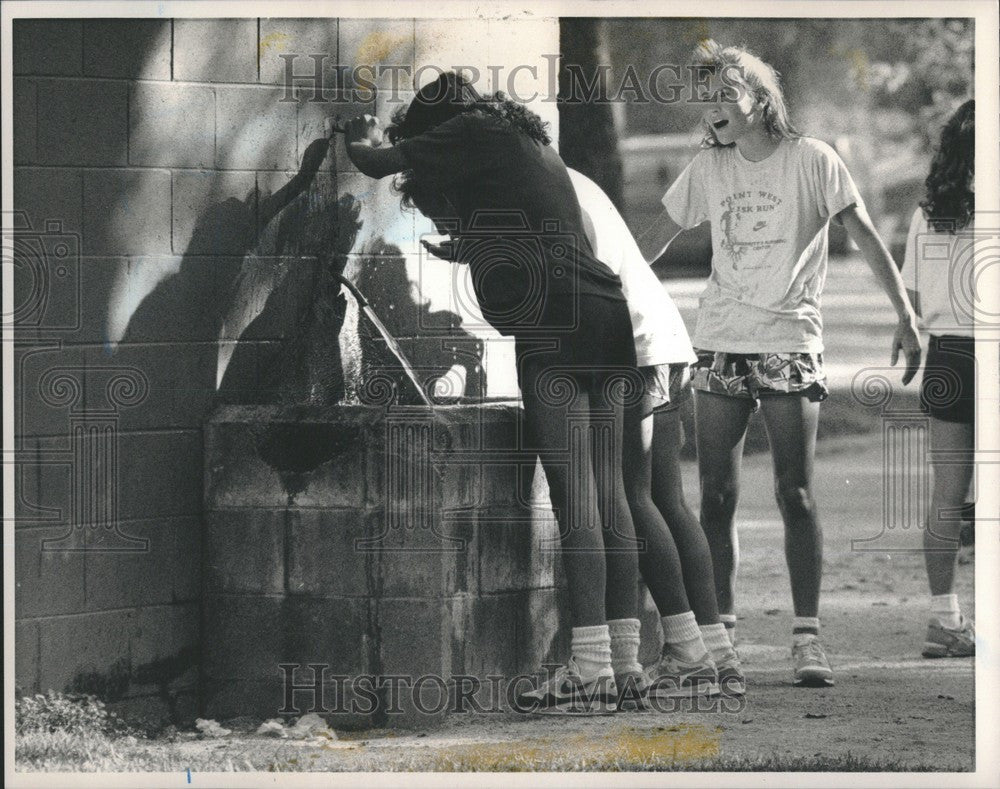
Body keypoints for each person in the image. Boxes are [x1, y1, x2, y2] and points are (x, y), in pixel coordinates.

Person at [344, 72, 642, 714]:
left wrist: (353, 129)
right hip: (606, 312)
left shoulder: (471, 128)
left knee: (577, 498)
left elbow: (372, 161)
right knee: (611, 493)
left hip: (555, 320)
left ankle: (589, 671)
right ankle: (626, 666)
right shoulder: (522, 142)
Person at [637, 40, 922, 688]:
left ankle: (806, 637)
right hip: (721, 339)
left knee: (794, 492)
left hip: (790, 340)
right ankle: (722, 637)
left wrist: (905, 315)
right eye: (704, 100)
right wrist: (604, 275)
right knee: (715, 493)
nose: (712, 110)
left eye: (724, 96)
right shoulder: (708, 167)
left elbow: (864, 236)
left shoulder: (812, 159)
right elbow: (659, 233)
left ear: (760, 100)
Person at [569, 169, 745, 699]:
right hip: (664, 336)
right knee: (666, 499)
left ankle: (670, 655)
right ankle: (714, 653)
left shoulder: (537, 188)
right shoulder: (576, 180)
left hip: (632, 346)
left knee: (630, 497)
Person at [901, 99, 976, 658]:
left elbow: (918, 296)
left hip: (947, 355)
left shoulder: (929, 212)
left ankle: (944, 619)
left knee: (947, 496)